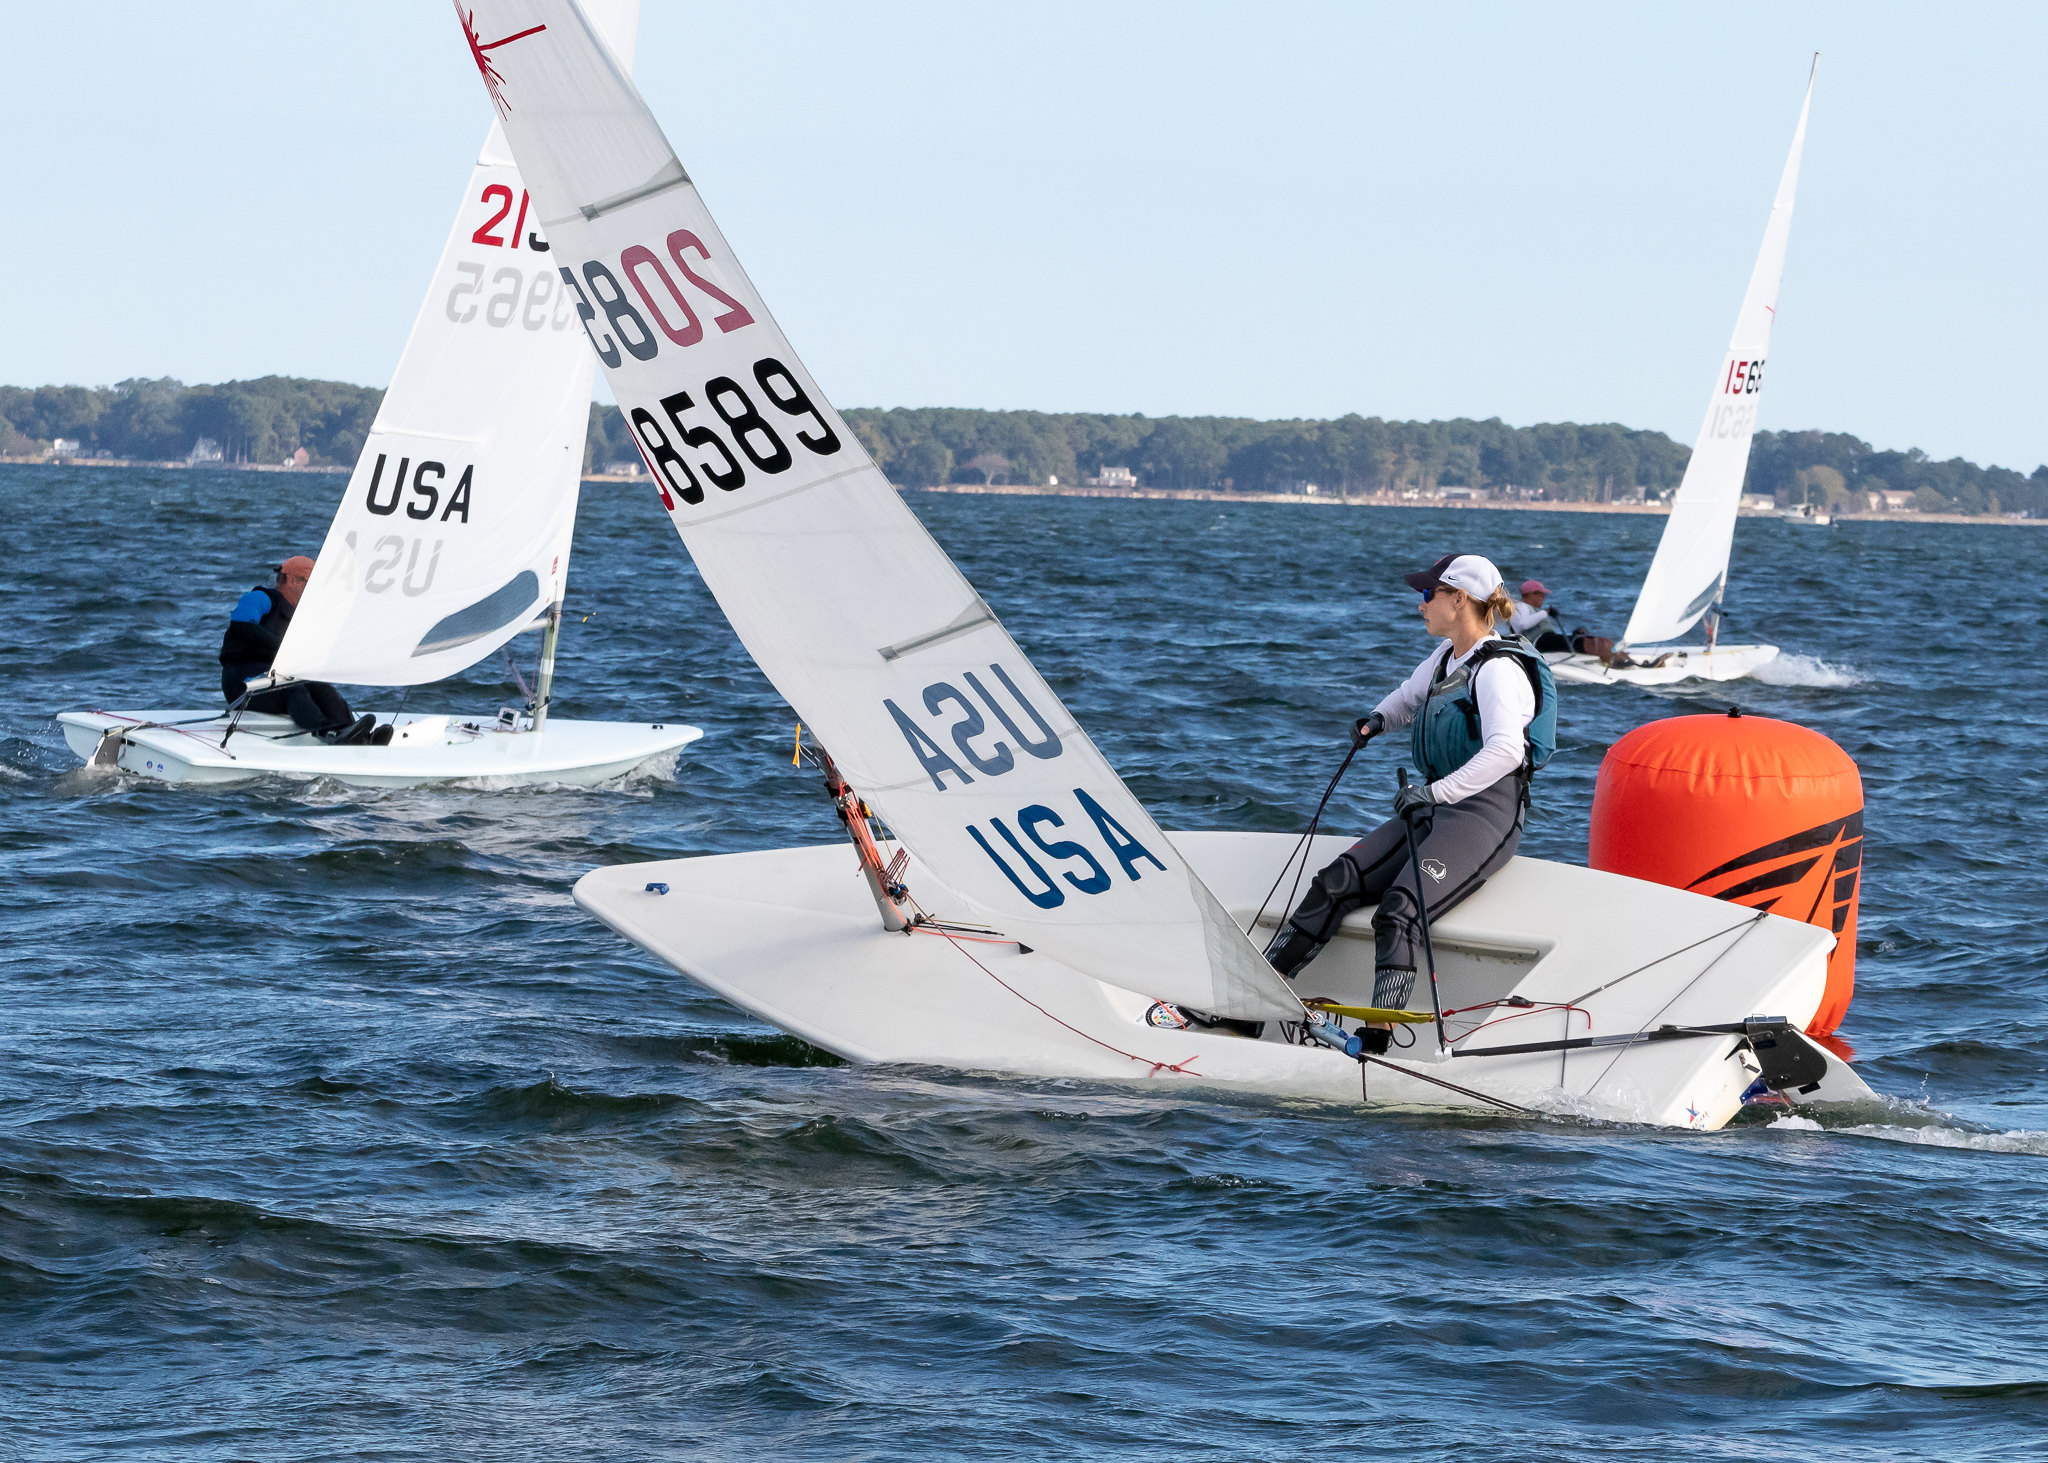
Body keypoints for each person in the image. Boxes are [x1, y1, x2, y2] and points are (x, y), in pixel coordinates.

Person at [1264, 553, 1555, 1049]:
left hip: (1486, 813)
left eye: (1428, 594)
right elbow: (1406, 697)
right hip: (1433, 807)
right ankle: (1253, 994)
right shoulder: (1447, 657)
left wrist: (1434, 792)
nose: (1420, 604)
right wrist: (1375, 720)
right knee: (1336, 882)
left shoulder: (1499, 671)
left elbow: (1507, 751)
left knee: (1399, 909)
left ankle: (1376, 1040)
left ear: (1458, 599)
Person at [219, 556, 385, 745]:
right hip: (242, 680)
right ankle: (326, 733)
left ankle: (357, 736)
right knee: (293, 690)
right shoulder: (260, 598)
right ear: (291, 580)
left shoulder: (302, 615)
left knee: (323, 689)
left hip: (275, 677)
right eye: (311, 582)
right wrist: (284, 646)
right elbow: (242, 626)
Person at [1509, 579, 1571, 651]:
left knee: (1575, 638)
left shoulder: (1530, 609)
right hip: (1538, 643)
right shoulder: (1521, 606)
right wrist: (1546, 612)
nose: (1543, 598)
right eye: (1541, 595)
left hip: (1545, 641)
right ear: (1531, 595)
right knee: (1574, 641)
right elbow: (1523, 624)